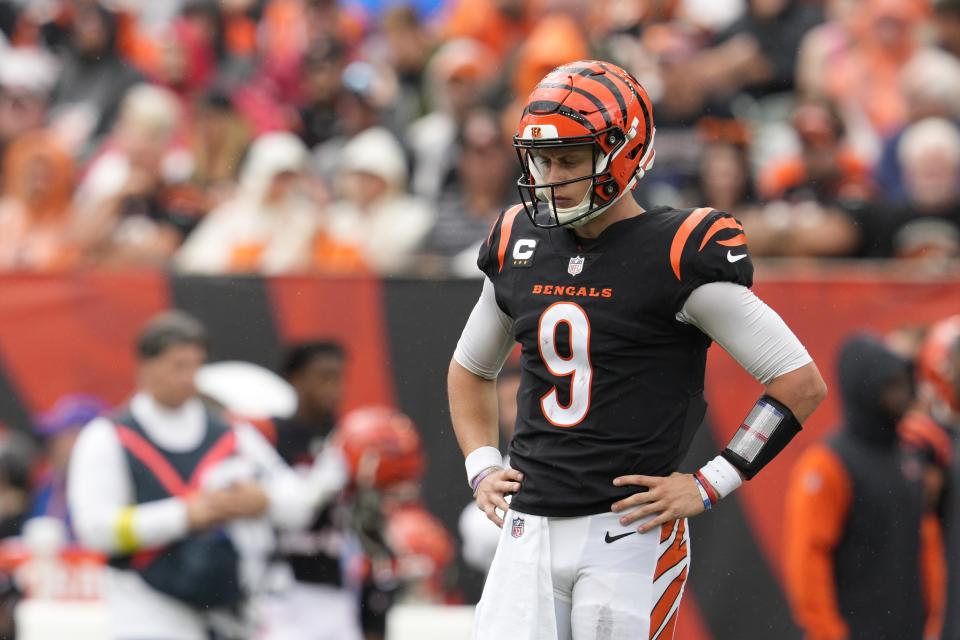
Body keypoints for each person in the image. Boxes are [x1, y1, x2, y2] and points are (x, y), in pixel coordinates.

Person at [448, 60, 827, 640]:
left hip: (625, 533)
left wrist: (712, 481)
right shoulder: (519, 241)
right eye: (543, 159)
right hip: (528, 528)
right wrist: (481, 465)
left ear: (623, 154)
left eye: (570, 159)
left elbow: (798, 382)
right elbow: (470, 368)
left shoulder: (677, 251)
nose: (552, 175)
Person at [66, 311, 328, 640]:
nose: (189, 378)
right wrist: (186, 515)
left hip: (225, 611)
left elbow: (299, 503)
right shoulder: (108, 436)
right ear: (145, 367)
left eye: (195, 366)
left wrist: (262, 501)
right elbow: (94, 530)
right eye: (178, 366)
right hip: (145, 609)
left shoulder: (231, 432)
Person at [783, 334, 932, 640]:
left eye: (904, 384)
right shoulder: (827, 464)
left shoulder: (908, 459)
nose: (902, 394)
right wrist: (827, 633)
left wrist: (933, 621)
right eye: (891, 385)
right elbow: (807, 557)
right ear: (865, 388)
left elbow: (925, 545)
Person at [260, 341, 360, 640]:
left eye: (339, 377)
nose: (334, 387)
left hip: (336, 582)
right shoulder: (269, 435)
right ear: (296, 378)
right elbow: (275, 506)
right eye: (324, 376)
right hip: (279, 582)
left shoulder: (352, 436)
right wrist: (324, 480)